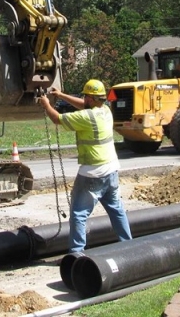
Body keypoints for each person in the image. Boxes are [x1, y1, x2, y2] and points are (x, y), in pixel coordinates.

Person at [38, 79, 132, 253]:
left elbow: (57, 118)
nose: (84, 99)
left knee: (79, 214)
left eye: (85, 96)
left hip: (93, 173)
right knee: (117, 210)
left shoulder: (86, 117)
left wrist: (46, 104)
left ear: (91, 98)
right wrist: (61, 95)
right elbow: (84, 105)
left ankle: (76, 253)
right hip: (111, 170)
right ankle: (128, 245)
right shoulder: (105, 110)